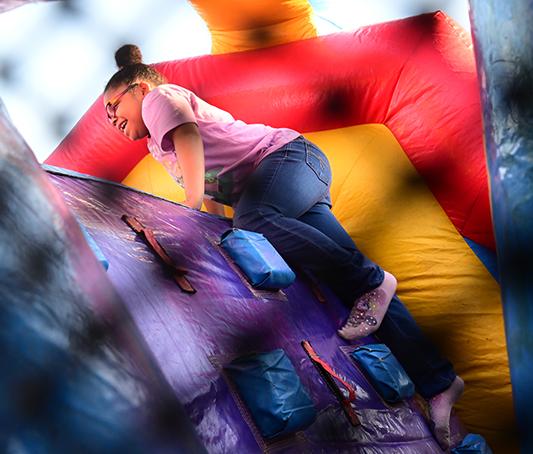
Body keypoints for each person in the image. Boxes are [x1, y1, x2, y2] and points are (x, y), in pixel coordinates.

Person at [103, 44, 466, 451]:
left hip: (287, 161)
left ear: (137, 88)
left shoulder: (158, 98)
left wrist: (188, 209)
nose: (111, 119)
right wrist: (203, 216)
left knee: (255, 221)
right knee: (353, 287)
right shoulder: (156, 145)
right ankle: (439, 383)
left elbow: (189, 141)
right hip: (286, 185)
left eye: (112, 106)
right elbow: (205, 180)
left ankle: (374, 280)